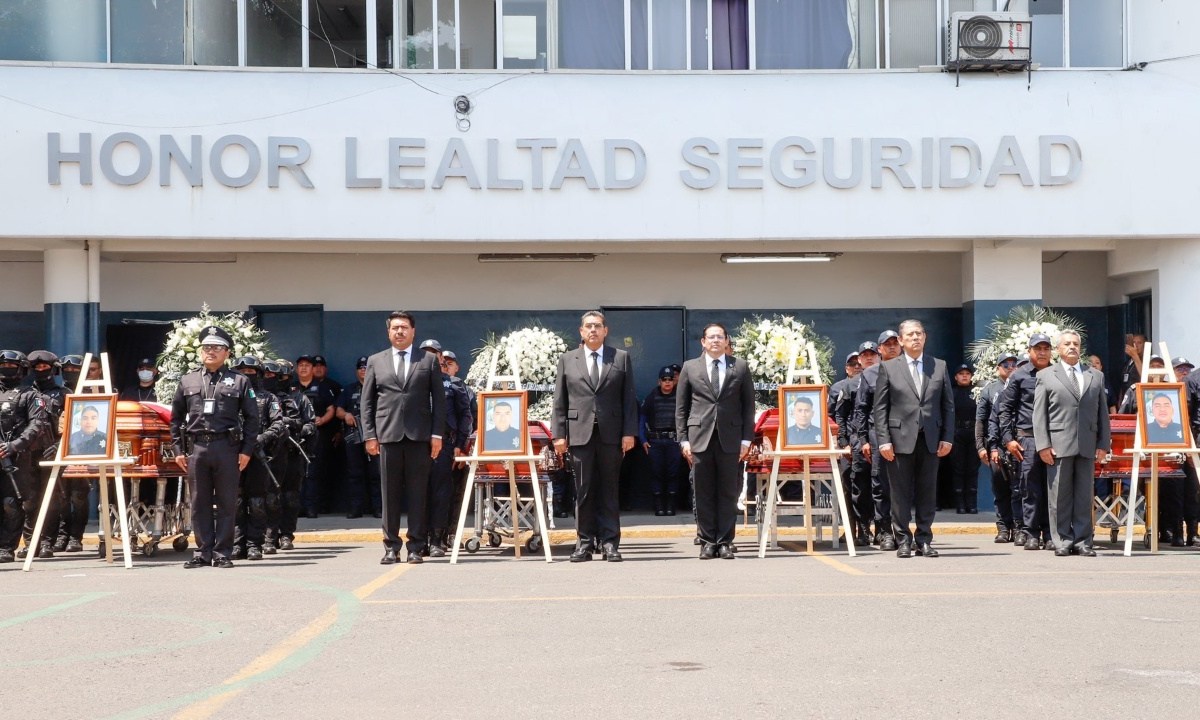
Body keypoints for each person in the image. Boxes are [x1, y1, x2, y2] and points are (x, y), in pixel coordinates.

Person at [170, 326, 260, 568]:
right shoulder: (188, 380)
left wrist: (247, 450)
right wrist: (178, 450)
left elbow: (253, 419)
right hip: (197, 448)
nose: (210, 351)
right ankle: (202, 552)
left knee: (226, 502)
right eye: (206, 347)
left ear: (227, 352)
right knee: (198, 503)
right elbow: (176, 418)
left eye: (216, 348)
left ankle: (222, 553)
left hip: (227, 448)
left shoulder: (240, 381)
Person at [552, 310, 638, 563]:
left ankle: (610, 543)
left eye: (597, 326)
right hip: (579, 434)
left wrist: (629, 432)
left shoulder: (620, 358)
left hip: (611, 434)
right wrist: (559, 434)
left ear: (605, 330)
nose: (593, 330)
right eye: (588, 326)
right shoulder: (568, 359)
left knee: (609, 489)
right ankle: (584, 543)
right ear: (581, 331)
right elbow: (560, 400)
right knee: (584, 490)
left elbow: (628, 399)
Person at [360, 311, 446, 565]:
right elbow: (367, 403)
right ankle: (391, 547)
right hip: (388, 436)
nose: (400, 331)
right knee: (390, 494)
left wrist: (437, 434)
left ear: (413, 331)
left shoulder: (428, 361)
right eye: (395, 327)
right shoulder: (377, 361)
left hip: (420, 436)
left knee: (418, 493)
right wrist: (370, 436)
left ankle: (416, 546)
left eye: (404, 327)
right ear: (388, 332)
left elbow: (439, 402)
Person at [872, 319, 954, 559]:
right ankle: (903, 539)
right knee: (900, 493)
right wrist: (884, 440)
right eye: (910, 335)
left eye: (919, 333)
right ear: (901, 341)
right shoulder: (889, 368)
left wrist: (947, 437)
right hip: (898, 440)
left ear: (925, 337)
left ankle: (924, 539)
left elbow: (947, 406)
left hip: (930, 439)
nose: (915, 338)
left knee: (927, 492)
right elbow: (880, 409)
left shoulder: (938, 366)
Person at [675, 322, 755, 560]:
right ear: (703, 341)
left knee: (729, 491)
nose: (715, 341)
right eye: (711, 337)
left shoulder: (739, 367)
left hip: (731, 438)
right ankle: (708, 541)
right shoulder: (690, 367)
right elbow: (681, 408)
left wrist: (746, 440)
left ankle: (726, 541)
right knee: (703, 491)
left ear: (726, 341)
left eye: (720, 337)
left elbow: (748, 406)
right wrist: (683, 440)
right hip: (699, 438)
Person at [1033, 330, 1111, 556]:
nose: (1072, 347)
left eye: (1075, 344)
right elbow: (1039, 415)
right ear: (1058, 349)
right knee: (1059, 496)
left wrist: (1103, 443)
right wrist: (1043, 445)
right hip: (1058, 444)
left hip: (1087, 443)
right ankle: (1062, 540)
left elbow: (1102, 413)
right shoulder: (1046, 375)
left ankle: (1083, 541)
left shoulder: (1095, 375)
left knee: (1084, 495)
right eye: (1067, 344)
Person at [998, 333, 1054, 551]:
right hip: (1027, 439)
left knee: (1052, 489)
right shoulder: (1019, 376)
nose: (1042, 352)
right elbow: (1005, 409)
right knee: (1029, 488)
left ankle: (1050, 533)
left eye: (1045, 348)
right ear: (1029, 351)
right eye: (1037, 348)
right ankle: (1030, 532)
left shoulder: (1057, 373)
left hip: (1053, 439)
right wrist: (1008, 440)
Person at [230, 356, 286, 561]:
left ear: (259, 375)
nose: (246, 375)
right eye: (242, 371)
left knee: (256, 502)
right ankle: (237, 544)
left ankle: (254, 544)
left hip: (258, 455)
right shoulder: (229, 397)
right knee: (235, 502)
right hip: (233, 454)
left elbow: (278, 424)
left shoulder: (269, 398)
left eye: (251, 372)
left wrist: (262, 438)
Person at [850, 329, 903, 549]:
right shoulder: (869, 375)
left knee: (902, 485)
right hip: (876, 434)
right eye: (887, 344)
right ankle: (884, 531)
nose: (891, 347)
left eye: (894, 343)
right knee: (880, 484)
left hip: (903, 433)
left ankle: (902, 529)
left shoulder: (908, 370)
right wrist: (863, 440)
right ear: (880, 349)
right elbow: (861, 410)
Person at [0, 350, 50, 563]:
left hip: (16, 458)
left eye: (11, 366)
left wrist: (14, 446)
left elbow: (36, 425)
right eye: (4, 365)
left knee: (11, 503)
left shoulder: (31, 395)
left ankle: (6, 547)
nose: (7, 369)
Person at [423, 341, 472, 557]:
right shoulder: (415, 383)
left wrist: (460, 446)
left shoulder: (453, 383)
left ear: (441, 357)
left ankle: (437, 539)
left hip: (445, 444)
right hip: (418, 445)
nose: (431, 356)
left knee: (441, 493)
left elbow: (465, 416)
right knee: (419, 494)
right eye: (426, 353)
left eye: (434, 353)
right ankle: (419, 539)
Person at [833, 340, 880, 546]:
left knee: (880, 489)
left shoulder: (885, 379)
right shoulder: (848, 386)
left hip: (880, 440)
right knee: (858, 488)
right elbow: (840, 417)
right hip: (855, 444)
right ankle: (862, 529)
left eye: (872, 354)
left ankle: (882, 529)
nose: (866, 360)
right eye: (863, 356)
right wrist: (844, 443)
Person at [25, 350, 65, 558]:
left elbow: (72, 426)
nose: (41, 371)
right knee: (29, 499)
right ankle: (31, 542)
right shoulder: (24, 393)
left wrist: (59, 446)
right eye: (37, 368)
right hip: (28, 452)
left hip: (52, 451)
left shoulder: (64, 394)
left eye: (45, 367)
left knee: (51, 499)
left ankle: (48, 542)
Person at [976, 352, 1019, 542]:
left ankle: (1018, 527)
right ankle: (1003, 528)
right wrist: (981, 446)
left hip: (1018, 445)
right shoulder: (990, 390)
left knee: (1018, 490)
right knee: (1000, 489)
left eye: (1013, 364)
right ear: (997, 368)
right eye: (1005, 365)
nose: (1010, 368)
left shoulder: (1021, 385)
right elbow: (981, 420)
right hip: (997, 447)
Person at [335, 356, 382, 520]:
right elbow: (338, 410)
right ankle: (356, 509)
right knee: (355, 473)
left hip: (374, 436)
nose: (363, 370)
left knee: (376, 473)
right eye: (360, 367)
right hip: (353, 435)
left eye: (366, 367)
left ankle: (378, 508)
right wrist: (346, 414)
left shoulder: (379, 388)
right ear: (357, 371)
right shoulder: (349, 389)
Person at [53, 355, 91, 553]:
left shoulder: (93, 393)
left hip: (84, 450)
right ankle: (62, 535)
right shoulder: (57, 394)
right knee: (61, 495)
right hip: (60, 448)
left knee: (79, 496)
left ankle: (76, 536)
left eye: (75, 370)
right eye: (67, 369)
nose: (71, 373)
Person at [295, 354, 337, 518]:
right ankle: (297, 507)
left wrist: (322, 420)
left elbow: (331, 409)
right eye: (301, 365)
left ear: (313, 369)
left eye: (307, 365)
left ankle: (312, 507)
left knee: (313, 472)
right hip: (296, 436)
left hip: (316, 436)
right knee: (296, 472)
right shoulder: (291, 388)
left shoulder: (322, 388)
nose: (304, 368)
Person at [640, 365, 682, 517]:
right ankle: (659, 507)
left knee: (673, 473)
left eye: (670, 379)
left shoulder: (679, 397)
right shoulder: (652, 396)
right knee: (656, 473)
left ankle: (670, 507)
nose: (668, 382)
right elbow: (642, 419)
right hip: (655, 442)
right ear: (659, 381)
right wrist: (643, 439)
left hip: (674, 441)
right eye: (664, 380)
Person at [948, 364, 979, 514]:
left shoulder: (976, 392)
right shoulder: (951, 393)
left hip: (974, 434)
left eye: (967, 373)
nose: (965, 376)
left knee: (973, 469)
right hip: (957, 433)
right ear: (956, 377)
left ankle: (972, 504)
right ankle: (960, 505)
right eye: (961, 373)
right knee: (958, 469)